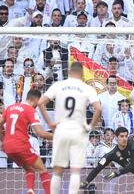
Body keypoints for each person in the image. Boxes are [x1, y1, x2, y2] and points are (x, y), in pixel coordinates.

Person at [37, 62, 102, 194]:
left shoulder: (59, 85)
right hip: (78, 131)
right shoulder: (86, 88)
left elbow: (40, 102)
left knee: (57, 171)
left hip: (61, 130)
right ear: (82, 73)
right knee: (75, 171)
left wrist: (49, 122)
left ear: (69, 72)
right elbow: (99, 108)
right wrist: (90, 126)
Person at [0, 89, 53, 194]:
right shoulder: (30, 110)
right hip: (21, 145)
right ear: (36, 100)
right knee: (43, 170)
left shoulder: (11, 107)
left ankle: (30, 190)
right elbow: (40, 133)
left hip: (8, 148)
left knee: (29, 168)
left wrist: (3, 141)